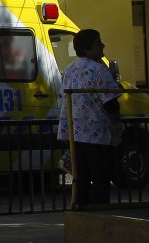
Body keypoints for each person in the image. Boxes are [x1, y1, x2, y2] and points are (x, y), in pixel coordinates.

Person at [57, 28, 120, 207]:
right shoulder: (100, 70)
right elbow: (110, 103)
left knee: (81, 176)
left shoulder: (69, 69)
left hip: (75, 132)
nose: (103, 46)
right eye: (98, 43)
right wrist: (117, 123)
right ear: (88, 49)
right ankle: (99, 210)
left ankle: (80, 208)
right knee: (100, 176)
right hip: (97, 134)